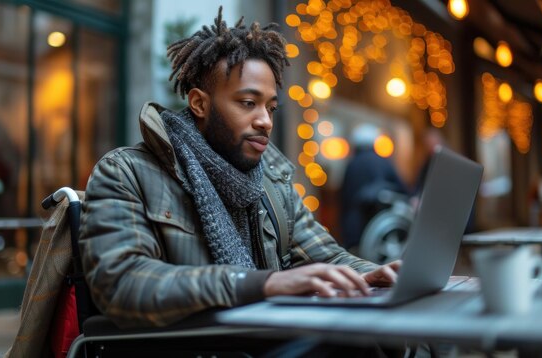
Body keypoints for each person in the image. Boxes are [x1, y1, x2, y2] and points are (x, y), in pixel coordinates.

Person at [79, 7, 400, 329]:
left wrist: (369, 273)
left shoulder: (273, 182)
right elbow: (121, 284)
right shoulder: (126, 173)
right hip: (191, 348)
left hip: (261, 340)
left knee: (383, 337)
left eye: (271, 107)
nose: (265, 120)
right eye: (248, 103)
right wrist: (260, 284)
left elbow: (327, 257)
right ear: (199, 103)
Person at [339, 124, 409, 251]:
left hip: (355, 227)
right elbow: (402, 189)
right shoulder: (383, 161)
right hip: (380, 226)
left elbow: (344, 198)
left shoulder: (352, 165)